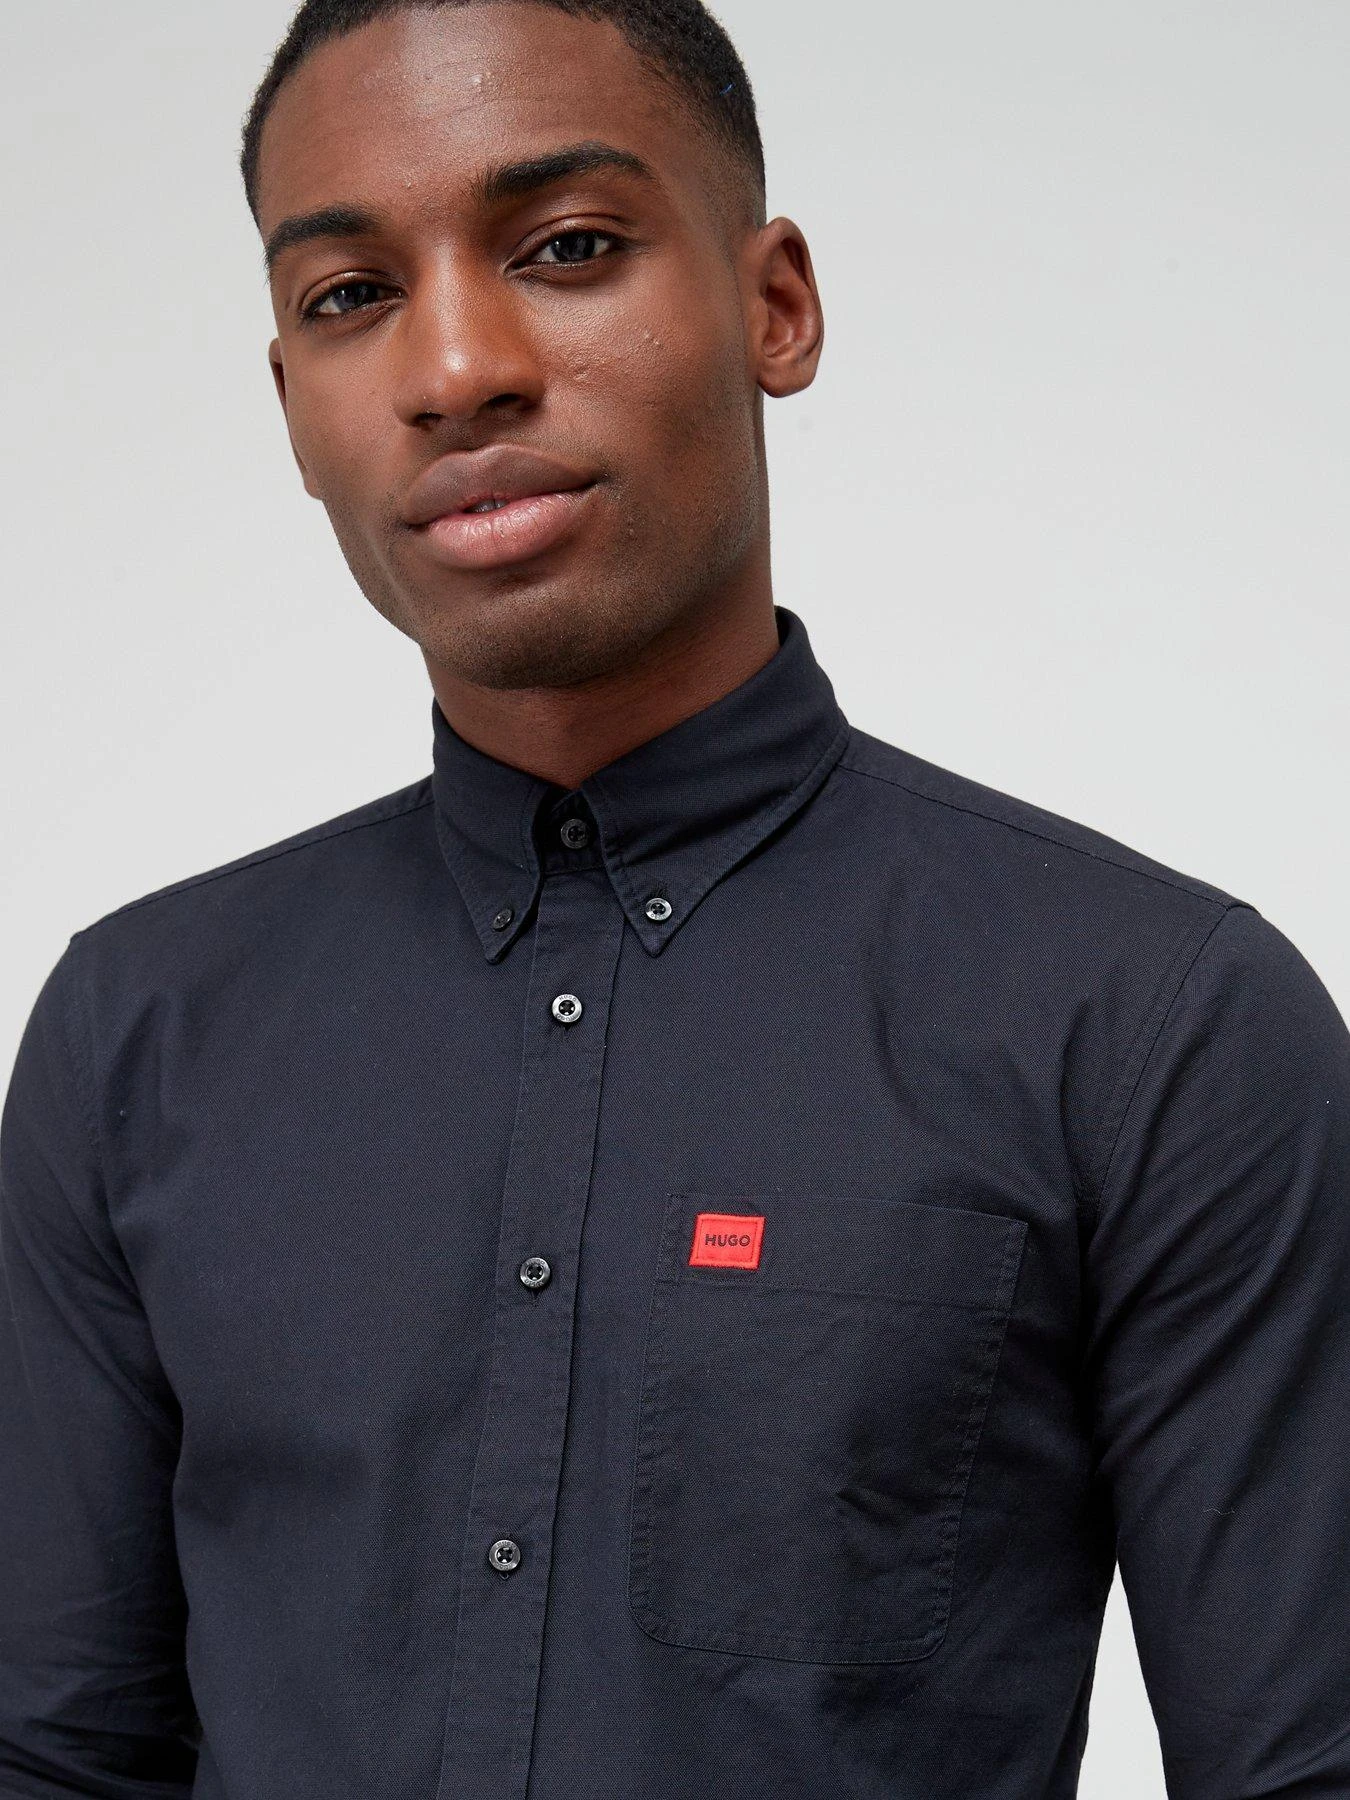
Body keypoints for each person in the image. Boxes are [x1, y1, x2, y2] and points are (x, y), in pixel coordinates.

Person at [2, 2, 1347, 1795]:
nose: (453, 368)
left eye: (565, 248)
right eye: (350, 294)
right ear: (293, 414)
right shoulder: (134, 1033)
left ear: (773, 305)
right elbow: (57, 1757)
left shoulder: (1154, 1021)